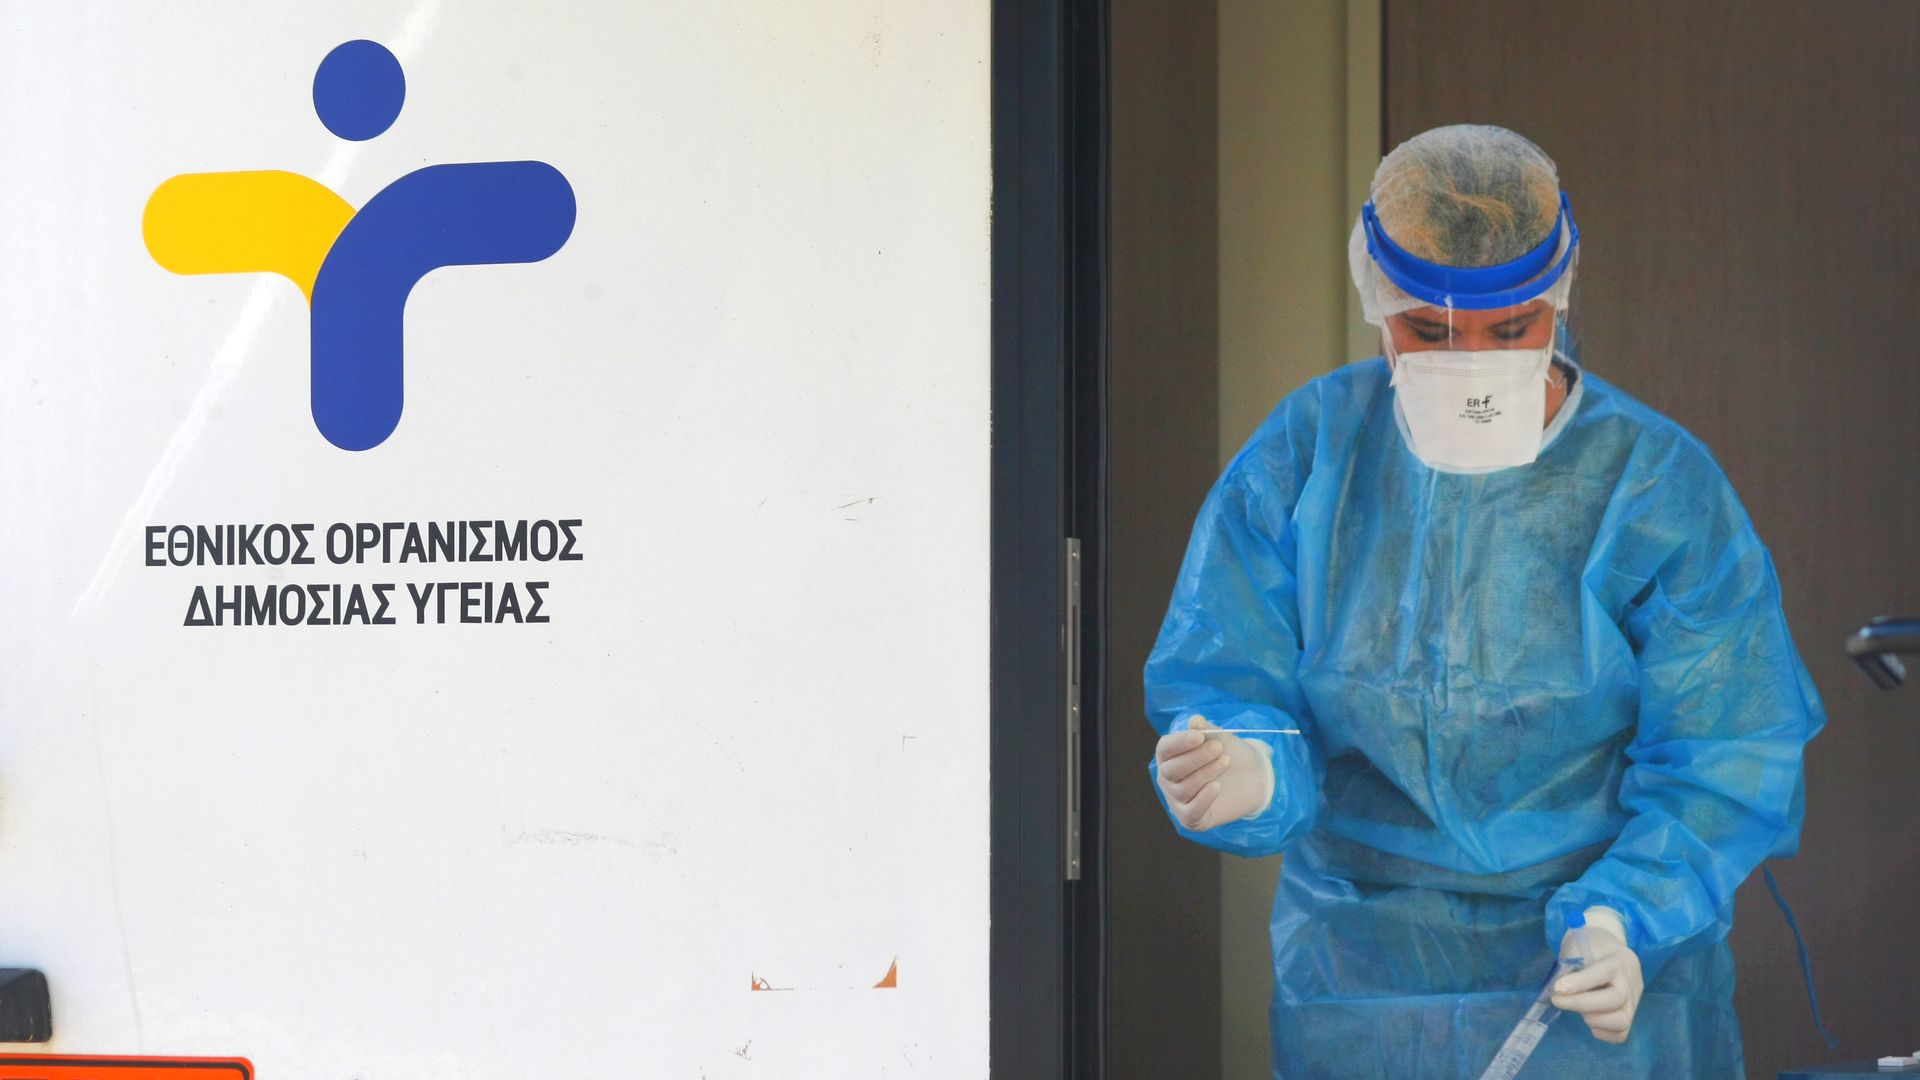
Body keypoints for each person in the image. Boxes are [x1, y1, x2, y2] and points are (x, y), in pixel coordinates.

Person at [1146, 124, 1824, 1079]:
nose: (1469, 363)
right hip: (1361, 982)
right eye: (1427, 331)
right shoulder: (1310, 454)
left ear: (1559, 298)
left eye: (1511, 332)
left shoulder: (1654, 486)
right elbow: (1228, 667)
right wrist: (1251, 762)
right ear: (1376, 302)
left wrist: (1628, 916)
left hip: (1595, 987)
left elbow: (1728, 747)